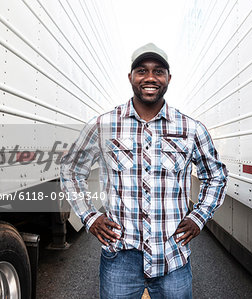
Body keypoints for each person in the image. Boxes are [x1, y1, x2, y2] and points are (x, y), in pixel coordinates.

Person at [60, 43, 228, 299]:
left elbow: (216, 175)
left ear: (168, 78)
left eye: (158, 71)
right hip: (119, 259)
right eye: (142, 70)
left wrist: (199, 216)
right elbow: (71, 169)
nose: (150, 77)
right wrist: (90, 217)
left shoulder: (191, 129)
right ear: (131, 77)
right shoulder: (104, 125)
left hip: (173, 258)